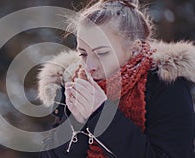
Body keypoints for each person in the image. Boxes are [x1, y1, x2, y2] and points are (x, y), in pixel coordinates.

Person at [37, 0, 195, 157]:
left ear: (135, 49)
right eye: (83, 54)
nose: (89, 66)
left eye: (101, 53)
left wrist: (101, 114)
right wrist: (75, 122)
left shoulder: (166, 85)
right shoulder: (75, 82)